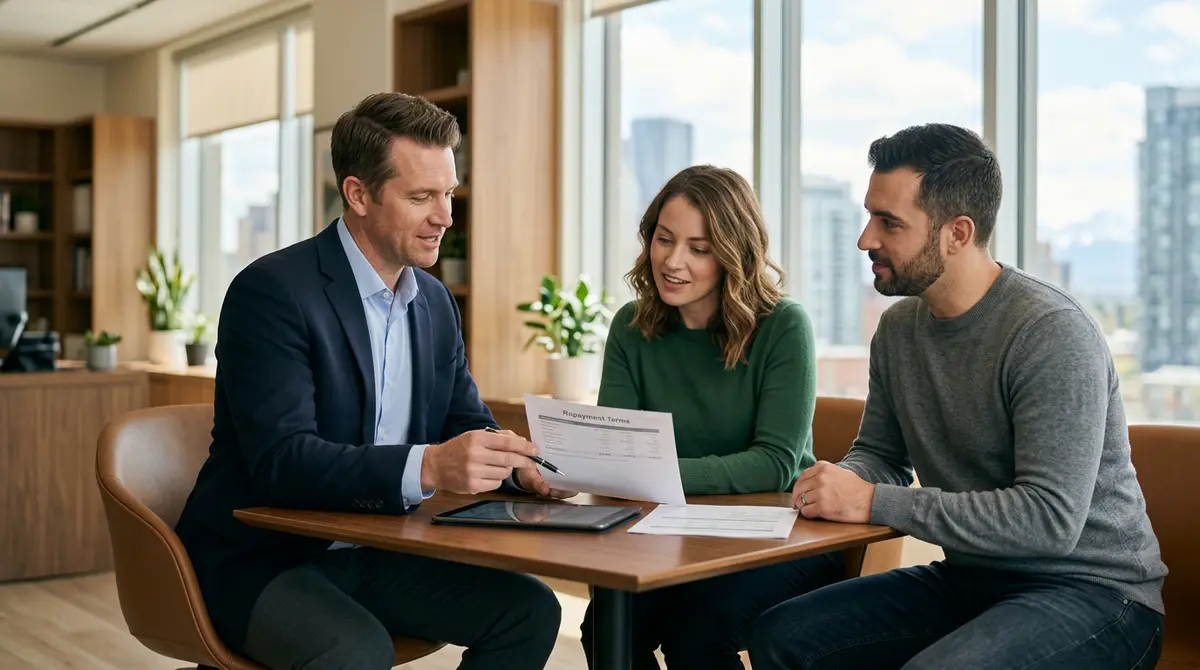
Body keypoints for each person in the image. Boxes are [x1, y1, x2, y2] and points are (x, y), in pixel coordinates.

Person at [173, 92, 572, 670]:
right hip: (262, 558)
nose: (446, 217)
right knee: (356, 651)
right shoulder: (272, 293)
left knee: (528, 611)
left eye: (449, 194)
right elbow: (282, 461)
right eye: (422, 197)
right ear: (358, 194)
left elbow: (464, 422)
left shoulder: (433, 302)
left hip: (380, 547)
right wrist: (431, 466)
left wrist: (519, 466)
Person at [749, 123, 1167, 670]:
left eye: (889, 223)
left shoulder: (1050, 332)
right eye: (869, 216)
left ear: (957, 233)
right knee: (782, 635)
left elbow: (1050, 519)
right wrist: (838, 484)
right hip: (971, 579)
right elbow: (882, 455)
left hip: (1096, 594)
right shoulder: (898, 331)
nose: (865, 239)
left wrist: (871, 502)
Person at [580, 164, 844, 669]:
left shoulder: (783, 326)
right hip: (671, 533)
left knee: (698, 631)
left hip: (783, 534)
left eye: (699, 249)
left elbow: (774, 464)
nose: (673, 262)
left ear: (732, 254)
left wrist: (650, 474)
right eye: (664, 239)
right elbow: (613, 453)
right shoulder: (631, 328)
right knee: (606, 627)